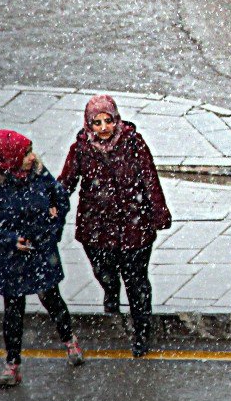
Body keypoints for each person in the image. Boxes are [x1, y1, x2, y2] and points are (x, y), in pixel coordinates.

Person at [59, 95, 172, 357]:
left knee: (137, 282)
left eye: (107, 121)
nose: (103, 128)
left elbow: (150, 178)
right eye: (96, 123)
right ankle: (111, 291)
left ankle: (142, 332)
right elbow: (66, 180)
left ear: (116, 120)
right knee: (104, 271)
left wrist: (158, 213)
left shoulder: (134, 143)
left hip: (135, 227)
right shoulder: (81, 149)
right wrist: (50, 203)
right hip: (97, 228)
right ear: (89, 125)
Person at [0, 130, 83, 389]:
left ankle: (69, 340)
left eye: (30, 150)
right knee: (13, 311)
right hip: (11, 259)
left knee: (52, 299)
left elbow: (60, 198)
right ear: (8, 161)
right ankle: (13, 363)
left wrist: (54, 226)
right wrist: (11, 239)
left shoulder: (39, 174)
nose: (32, 156)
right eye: (25, 154)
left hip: (41, 252)